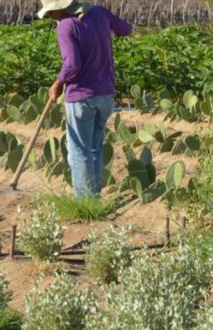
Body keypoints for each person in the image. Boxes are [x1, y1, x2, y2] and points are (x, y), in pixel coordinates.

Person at [38, 0, 132, 197]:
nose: (51, 17)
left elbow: (72, 65)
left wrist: (58, 83)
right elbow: (125, 29)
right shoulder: (99, 12)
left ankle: (83, 201)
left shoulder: (66, 25)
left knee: (80, 151)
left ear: (61, 7)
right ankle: (94, 197)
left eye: (51, 13)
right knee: (95, 148)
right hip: (106, 95)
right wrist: (100, 28)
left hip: (81, 96)